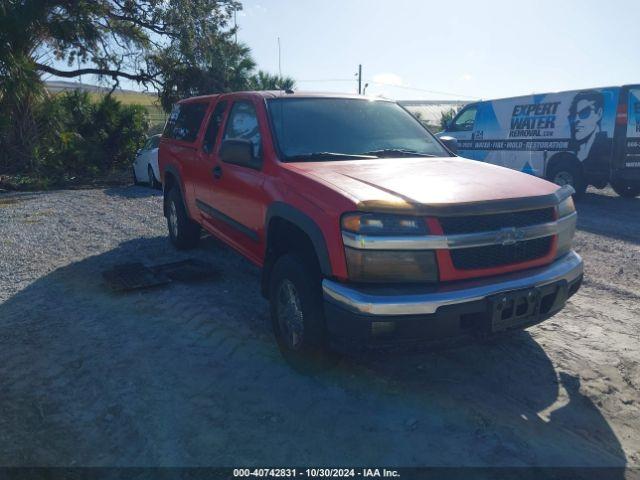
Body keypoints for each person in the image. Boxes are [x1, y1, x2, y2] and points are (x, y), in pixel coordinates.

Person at [568, 90, 612, 175]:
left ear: (599, 114)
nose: (576, 119)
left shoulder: (606, 148)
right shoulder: (576, 147)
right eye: (574, 114)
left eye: (584, 112)